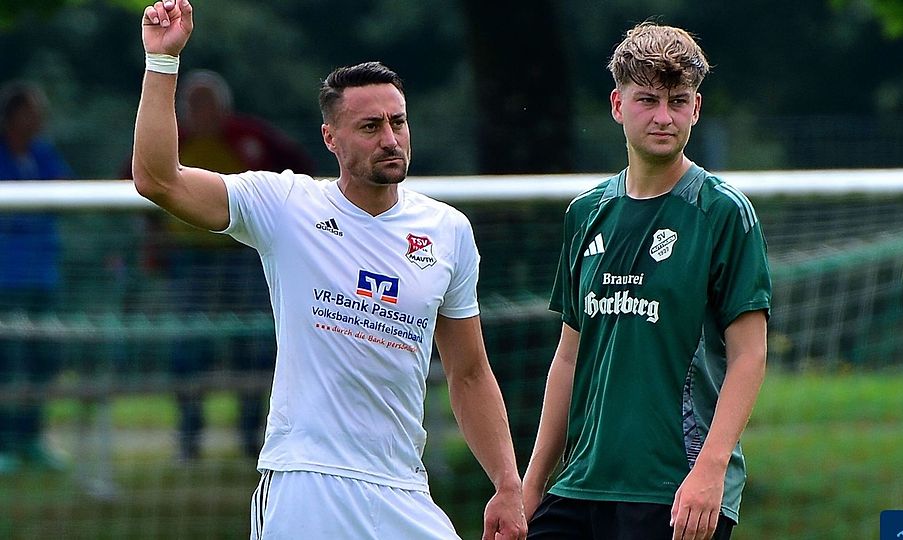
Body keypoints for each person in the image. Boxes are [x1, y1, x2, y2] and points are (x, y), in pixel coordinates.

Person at [133, 1, 526, 539]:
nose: (390, 138)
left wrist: (507, 484)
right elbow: (159, 179)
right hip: (305, 479)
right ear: (330, 138)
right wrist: (162, 63)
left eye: (398, 121)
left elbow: (470, 372)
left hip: (402, 488)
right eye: (370, 126)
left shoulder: (447, 230)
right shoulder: (286, 205)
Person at [521, 22, 771, 540]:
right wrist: (531, 485)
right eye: (647, 100)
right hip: (580, 487)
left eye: (678, 101)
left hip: (676, 491)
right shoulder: (586, 213)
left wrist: (710, 472)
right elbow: (569, 357)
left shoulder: (722, 212)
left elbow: (749, 355)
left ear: (696, 109)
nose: (664, 117)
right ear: (617, 105)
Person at [128, 68, 318, 461]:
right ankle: (189, 437)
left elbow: (302, 172)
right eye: (193, 104)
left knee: (252, 346)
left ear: (225, 108)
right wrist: (152, 242)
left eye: (208, 103)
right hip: (187, 264)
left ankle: (253, 435)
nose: (201, 111)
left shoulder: (252, 138)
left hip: (243, 258)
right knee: (187, 349)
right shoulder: (171, 140)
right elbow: (137, 181)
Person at [0, 81, 73, 474]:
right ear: (12, 116)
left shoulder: (43, 154)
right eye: (31, 112)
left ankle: (31, 439)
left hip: (43, 277)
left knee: (43, 360)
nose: (38, 120)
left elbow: (63, 191)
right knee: (8, 363)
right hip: (6, 280)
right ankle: (6, 444)